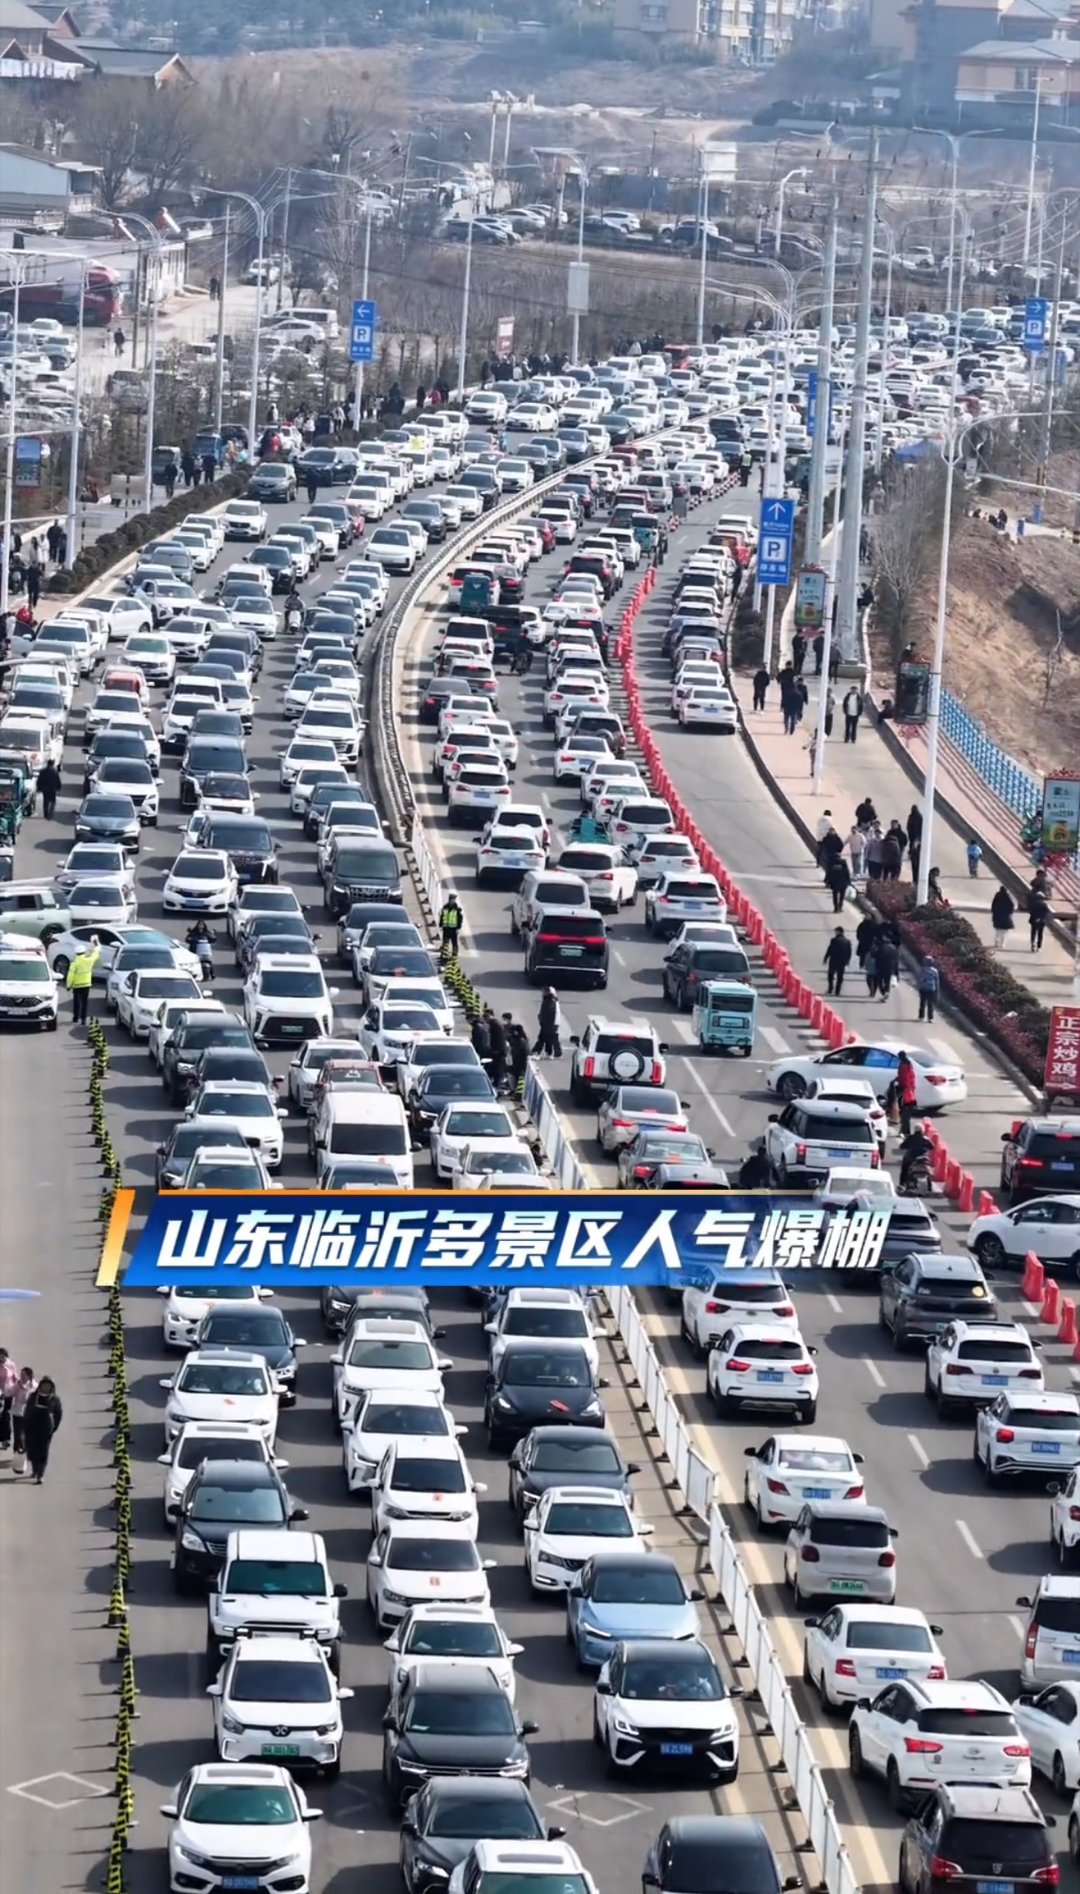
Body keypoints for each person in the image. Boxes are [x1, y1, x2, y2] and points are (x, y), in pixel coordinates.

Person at [22, 1375, 61, 1484]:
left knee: (43, 1451)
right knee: (32, 1450)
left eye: (48, 1385)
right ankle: (35, 1470)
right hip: (32, 1428)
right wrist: (25, 1426)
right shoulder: (33, 1397)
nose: (46, 1387)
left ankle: (40, 1474)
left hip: (45, 1430)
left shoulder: (54, 1399)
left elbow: (58, 1414)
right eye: (44, 1385)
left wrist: (54, 1427)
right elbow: (27, 1412)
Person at [66, 936, 100, 1025]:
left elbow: (70, 976)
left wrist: (68, 985)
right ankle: (83, 1019)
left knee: (76, 1002)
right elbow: (95, 955)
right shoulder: (89, 961)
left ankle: (75, 1018)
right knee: (85, 1003)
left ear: (76, 953)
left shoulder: (74, 964)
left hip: (77, 986)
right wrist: (95, 946)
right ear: (84, 952)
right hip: (86, 985)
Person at [10, 1366, 36, 1474]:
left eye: (24, 1375)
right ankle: (17, 1456)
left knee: (26, 1436)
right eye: (21, 1375)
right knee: (18, 1435)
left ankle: (24, 1454)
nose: (22, 1377)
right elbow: (10, 1392)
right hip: (18, 1412)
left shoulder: (35, 1386)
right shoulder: (18, 1385)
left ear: (29, 1376)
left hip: (29, 1414)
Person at [899, 1120, 934, 1193]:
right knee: (929, 1170)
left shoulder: (910, 1138)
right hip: (923, 1158)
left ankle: (902, 1184)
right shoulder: (926, 1138)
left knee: (904, 1169)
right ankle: (930, 1187)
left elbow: (902, 1146)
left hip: (911, 1158)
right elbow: (932, 1147)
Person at [895, 1051, 919, 1138]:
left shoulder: (904, 1066)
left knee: (904, 1115)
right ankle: (906, 1131)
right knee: (907, 1116)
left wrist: (899, 1085)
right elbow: (910, 1078)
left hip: (906, 1094)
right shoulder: (909, 1065)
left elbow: (904, 1078)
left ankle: (904, 1131)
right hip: (910, 1093)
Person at [823, 927, 852, 996]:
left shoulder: (834, 940)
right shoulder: (847, 941)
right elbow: (849, 952)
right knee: (840, 976)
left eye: (836, 931)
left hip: (834, 960)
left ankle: (830, 988)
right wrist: (847, 960)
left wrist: (826, 958)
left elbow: (829, 950)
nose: (835, 933)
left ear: (839, 932)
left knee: (830, 974)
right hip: (842, 961)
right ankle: (837, 990)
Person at [534, 987, 561, 1058]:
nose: (542, 993)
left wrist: (542, 1020)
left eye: (544, 992)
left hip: (549, 1024)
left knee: (543, 1038)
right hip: (551, 1023)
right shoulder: (551, 1000)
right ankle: (550, 1052)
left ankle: (536, 1051)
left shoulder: (550, 1001)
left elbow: (548, 1013)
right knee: (549, 1038)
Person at [0, 1348, 17, 1453]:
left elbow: (16, 1378)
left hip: (8, 1393)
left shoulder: (11, 1364)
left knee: (6, 1415)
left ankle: (6, 1438)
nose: (1, 1358)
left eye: (3, 1356)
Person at [487, 1010, 508, 1093]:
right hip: (499, 1050)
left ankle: (497, 1086)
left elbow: (497, 1039)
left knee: (497, 1069)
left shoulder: (494, 1025)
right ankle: (496, 1084)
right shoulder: (496, 1024)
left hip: (498, 1051)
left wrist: (496, 1050)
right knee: (496, 1069)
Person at [874, 931, 899, 1000]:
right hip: (890, 967)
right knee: (887, 981)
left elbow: (876, 956)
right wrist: (896, 970)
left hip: (881, 967)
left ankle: (883, 992)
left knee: (880, 981)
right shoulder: (894, 948)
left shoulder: (881, 947)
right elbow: (896, 960)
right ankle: (886, 992)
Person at [991, 884, 1015, 950]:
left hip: (997, 916)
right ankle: (1002, 943)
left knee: (997, 930)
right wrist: (1010, 913)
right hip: (1006, 917)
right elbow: (1012, 906)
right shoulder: (1008, 897)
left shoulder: (997, 896)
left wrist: (994, 912)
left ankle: (996, 941)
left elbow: (993, 906)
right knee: (1004, 931)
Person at [917, 954, 940, 1023]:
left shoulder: (922, 970)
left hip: (923, 988)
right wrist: (937, 990)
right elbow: (937, 981)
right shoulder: (935, 971)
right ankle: (930, 1018)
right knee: (930, 1004)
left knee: (922, 1003)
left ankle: (921, 1016)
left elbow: (920, 979)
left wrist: (919, 986)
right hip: (931, 989)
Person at [439, 893, 463, 958]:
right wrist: (440, 924)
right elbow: (442, 916)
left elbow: (460, 919)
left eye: (453, 899)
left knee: (454, 943)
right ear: (449, 900)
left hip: (453, 929)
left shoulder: (457, 909)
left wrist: (458, 928)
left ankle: (454, 955)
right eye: (451, 899)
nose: (452, 901)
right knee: (445, 942)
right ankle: (444, 955)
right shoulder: (445, 907)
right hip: (446, 928)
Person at [1029, 886, 1050, 952]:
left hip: (1034, 920)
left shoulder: (1033, 903)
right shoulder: (1044, 904)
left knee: (1033, 932)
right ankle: (1039, 946)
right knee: (1040, 934)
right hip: (1041, 921)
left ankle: (1033, 943)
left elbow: (1031, 911)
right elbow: (1047, 912)